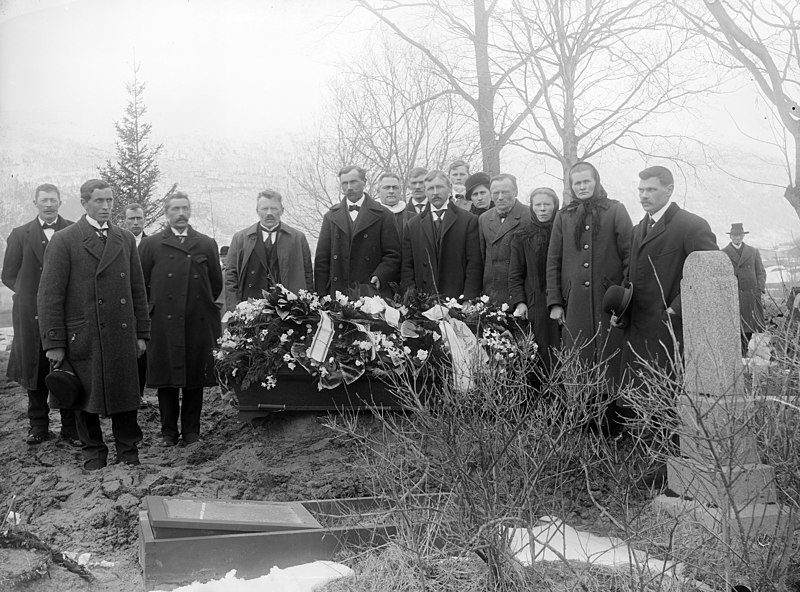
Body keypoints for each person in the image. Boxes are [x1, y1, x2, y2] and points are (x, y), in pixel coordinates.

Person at [38, 179, 149, 470]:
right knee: (83, 396)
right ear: (85, 203)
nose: (106, 207)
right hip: (82, 335)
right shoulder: (65, 240)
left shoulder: (124, 239)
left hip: (121, 333)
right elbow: (50, 296)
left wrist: (142, 334)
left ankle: (128, 451)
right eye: (99, 201)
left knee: (126, 393)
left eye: (110, 201)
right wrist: (54, 342)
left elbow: (138, 290)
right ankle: (93, 452)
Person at [616, 165, 718, 379]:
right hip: (637, 332)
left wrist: (674, 309)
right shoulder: (638, 230)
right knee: (639, 403)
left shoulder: (691, 225)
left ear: (669, 190)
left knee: (668, 401)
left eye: (651, 190)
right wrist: (622, 310)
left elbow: (710, 274)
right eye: (641, 190)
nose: (643, 196)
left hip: (671, 332)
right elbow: (631, 278)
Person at [139, 192, 222, 447]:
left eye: (185, 208)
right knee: (167, 379)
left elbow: (215, 284)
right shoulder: (152, 244)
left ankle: (191, 432)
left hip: (196, 322)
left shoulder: (206, 243)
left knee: (194, 378)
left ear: (190, 211)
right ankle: (167, 432)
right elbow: (141, 285)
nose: (180, 213)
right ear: (166, 212)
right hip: (163, 323)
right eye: (175, 208)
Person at [2, 183, 80, 447]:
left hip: (66, 313)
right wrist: (32, 296)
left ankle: (71, 427)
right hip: (29, 315)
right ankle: (38, 426)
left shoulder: (72, 231)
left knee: (68, 367)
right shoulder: (20, 234)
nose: (48, 205)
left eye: (53, 200)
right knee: (34, 370)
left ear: (60, 202)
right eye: (44, 200)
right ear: (35, 203)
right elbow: (9, 274)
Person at [546, 162, 632, 380]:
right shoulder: (563, 216)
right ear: (571, 186)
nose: (582, 187)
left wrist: (623, 298)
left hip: (608, 304)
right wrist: (555, 302)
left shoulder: (615, 210)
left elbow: (630, 256)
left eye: (587, 181)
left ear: (596, 182)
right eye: (577, 183)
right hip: (574, 304)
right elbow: (553, 261)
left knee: (611, 366)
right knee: (578, 365)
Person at [314, 166, 401, 298]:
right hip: (338, 293)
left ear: (364, 182)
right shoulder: (330, 217)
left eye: (353, 182)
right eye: (344, 183)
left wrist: (380, 275)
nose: (349, 187)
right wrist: (321, 295)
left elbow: (393, 255)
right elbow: (322, 260)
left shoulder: (384, 215)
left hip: (370, 292)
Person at [225, 189, 313, 310]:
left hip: (288, 311)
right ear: (257, 211)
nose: (269, 213)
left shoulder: (298, 239)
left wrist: (306, 307)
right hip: (250, 309)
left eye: (274, 208)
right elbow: (231, 277)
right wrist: (234, 308)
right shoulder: (240, 239)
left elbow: (308, 276)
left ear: (282, 210)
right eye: (264, 209)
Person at [401, 170, 482, 299]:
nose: (435, 192)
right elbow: (407, 267)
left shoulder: (468, 220)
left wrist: (468, 298)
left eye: (439, 187)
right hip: (424, 300)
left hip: (457, 299)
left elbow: (474, 264)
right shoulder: (413, 225)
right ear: (425, 191)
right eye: (430, 188)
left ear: (450, 188)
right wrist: (412, 298)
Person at [508, 188, 561, 374]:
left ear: (555, 206)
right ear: (532, 207)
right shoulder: (522, 236)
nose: (543, 209)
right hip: (535, 301)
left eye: (547, 204)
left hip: (563, 299)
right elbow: (515, 274)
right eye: (538, 205)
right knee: (540, 353)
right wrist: (520, 302)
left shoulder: (563, 231)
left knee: (562, 350)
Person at [479, 173, 531, 306]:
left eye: (505, 192)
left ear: (516, 192)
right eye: (496, 193)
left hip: (521, 296)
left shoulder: (530, 215)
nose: (500, 197)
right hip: (492, 295)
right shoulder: (484, 218)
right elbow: (482, 257)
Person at [722, 223, 766, 356]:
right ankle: (740, 353)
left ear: (743, 236)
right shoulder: (723, 253)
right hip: (734, 295)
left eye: (740, 235)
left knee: (752, 325)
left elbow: (761, 272)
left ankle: (749, 353)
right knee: (736, 324)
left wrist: (759, 290)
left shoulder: (753, 252)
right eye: (734, 235)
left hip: (751, 295)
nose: (737, 238)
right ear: (730, 236)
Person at [122, 203, 149, 408]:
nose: (135, 222)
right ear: (125, 220)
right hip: (121, 305)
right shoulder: (118, 242)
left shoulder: (152, 244)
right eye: (131, 219)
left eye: (139, 218)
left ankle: (139, 394)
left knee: (142, 351)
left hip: (146, 305)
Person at [376, 172, 412, 243]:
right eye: (387, 187)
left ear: (400, 191)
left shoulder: (412, 217)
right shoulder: (369, 215)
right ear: (378, 191)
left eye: (395, 188)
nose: (391, 191)